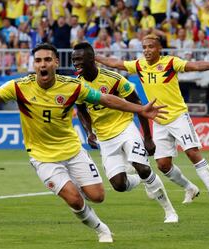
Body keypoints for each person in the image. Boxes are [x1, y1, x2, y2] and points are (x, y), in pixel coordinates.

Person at [0, 43, 167, 242]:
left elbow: (106, 99)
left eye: (47, 60)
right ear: (34, 65)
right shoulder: (20, 87)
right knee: (74, 198)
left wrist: (140, 109)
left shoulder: (72, 87)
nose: (43, 64)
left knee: (98, 196)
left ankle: (133, 179)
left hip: (73, 151)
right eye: (38, 60)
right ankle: (101, 229)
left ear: (55, 63)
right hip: (42, 156)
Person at [95, 34, 209, 206]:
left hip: (178, 116)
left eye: (150, 47)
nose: (146, 50)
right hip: (158, 119)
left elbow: (195, 65)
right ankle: (190, 188)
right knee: (163, 165)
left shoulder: (170, 62)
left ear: (159, 49)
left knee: (192, 152)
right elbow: (115, 63)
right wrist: (94, 56)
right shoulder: (139, 65)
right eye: (144, 47)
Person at [72, 42, 178, 223]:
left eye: (79, 59)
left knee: (143, 167)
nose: (75, 64)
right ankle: (140, 180)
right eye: (74, 60)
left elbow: (140, 107)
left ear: (92, 59)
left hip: (125, 128)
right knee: (119, 185)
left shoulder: (114, 78)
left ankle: (170, 211)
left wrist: (148, 137)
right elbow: (81, 110)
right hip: (105, 138)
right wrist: (89, 132)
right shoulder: (77, 85)